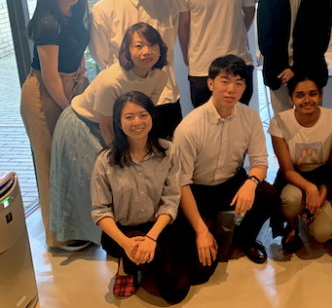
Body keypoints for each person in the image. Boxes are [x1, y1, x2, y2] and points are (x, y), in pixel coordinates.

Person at [50, 23, 169, 248]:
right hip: (84, 124)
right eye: (138, 46)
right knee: (89, 181)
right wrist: (120, 158)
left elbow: (145, 113)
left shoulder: (159, 77)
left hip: (118, 124)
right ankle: (87, 235)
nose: (147, 51)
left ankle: (116, 233)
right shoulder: (112, 80)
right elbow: (106, 125)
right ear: (126, 50)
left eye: (152, 44)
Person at [175, 55, 277, 284]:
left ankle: (244, 238)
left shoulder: (250, 118)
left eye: (239, 83)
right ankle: (202, 229)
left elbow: (260, 161)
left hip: (231, 181)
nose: (231, 89)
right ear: (210, 83)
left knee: (268, 194)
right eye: (225, 81)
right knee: (200, 272)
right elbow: (181, 184)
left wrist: (251, 183)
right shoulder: (189, 128)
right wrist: (201, 231)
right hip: (197, 190)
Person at [91, 92, 189, 303]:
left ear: (152, 116)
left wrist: (151, 238)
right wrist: (126, 244)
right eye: (129, 117)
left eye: (143, 115)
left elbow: (171, 199)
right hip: (123, 231)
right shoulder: (105, 160)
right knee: (136, 255)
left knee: (176, 292)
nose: (137, 122)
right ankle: (127, 266)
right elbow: (100, 210)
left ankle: (149, 258)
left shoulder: (169, 151)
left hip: (158, 226)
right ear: (118, 123)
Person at [20, 0, 90, 249]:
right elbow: (49, 76)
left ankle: (78, 223)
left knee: (75, 158)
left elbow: (78, 51)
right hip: (46, 94)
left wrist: (82, 84)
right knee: (51, 162)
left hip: (72, 86)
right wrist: (69, 108)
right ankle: (58, 236)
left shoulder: (75, 12)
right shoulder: (47, 23)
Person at [90, 0, 181, 138]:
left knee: (170, 150)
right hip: (125, 102)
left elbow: (168, 48)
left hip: (165, 97)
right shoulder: (103, 10)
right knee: (130, 154)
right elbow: (102, 57)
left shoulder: (168, 4)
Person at [259, 0, 332, 114]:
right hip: (278, 73)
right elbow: (265, 37)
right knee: (282, 123)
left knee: (312, 123)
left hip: (310, 71)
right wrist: (284, 69)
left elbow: (320, 41)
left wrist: (296, 69)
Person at [269, 72, 332, 252]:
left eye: (313, 94)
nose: (307, 100)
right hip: (294, 177)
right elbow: (287, 170)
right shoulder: (279, 122)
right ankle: (292, 224)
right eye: (300, 95)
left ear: (320, 95)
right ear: (291, 99)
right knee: (291, 200)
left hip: (323, 177)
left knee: (324, 233)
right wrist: (310, 189)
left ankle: (312, 213)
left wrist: (322, 192)